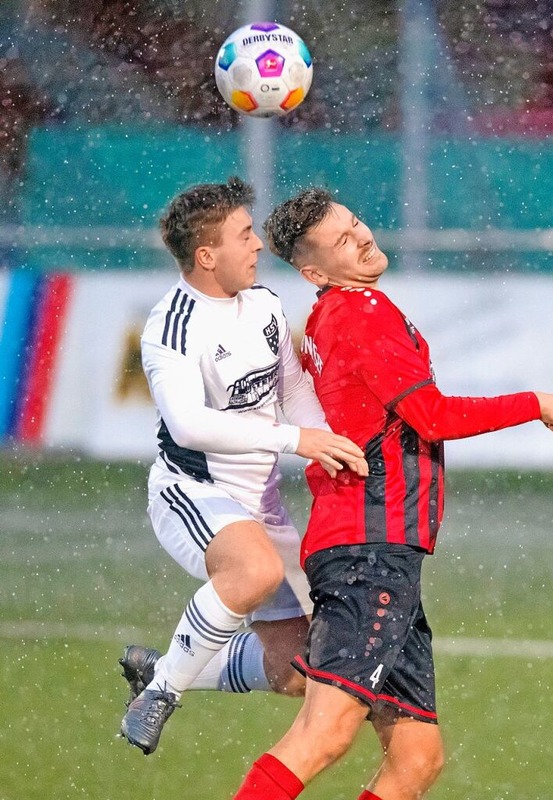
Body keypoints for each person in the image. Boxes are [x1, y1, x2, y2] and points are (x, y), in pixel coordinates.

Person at [230, 188, 553, 800]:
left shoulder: (335, 314)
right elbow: (431, 416)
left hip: (379, 549)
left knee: (417, 757)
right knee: (325, 732)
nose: (360, 236)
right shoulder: (358, 312)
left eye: (354, 223)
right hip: (369, 548)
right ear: (313, 272)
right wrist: (534, 403)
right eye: (341, 240)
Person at [119, 178, 367, 756]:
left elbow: (293, 387)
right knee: (252, 571)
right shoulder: (172, 326)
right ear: (207, 256)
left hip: (262, 505)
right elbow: (188, 425)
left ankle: (164, 670)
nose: (258, 245)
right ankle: (163, 696)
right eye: (244, 235)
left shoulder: (265, 305)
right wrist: (295, 440)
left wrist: (328, 441)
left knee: (303, 672)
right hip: (192, 491)